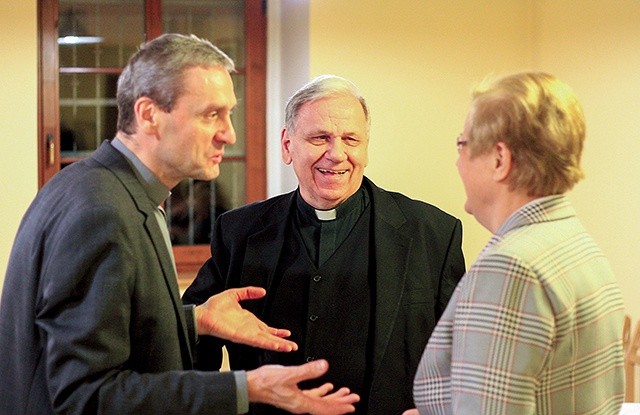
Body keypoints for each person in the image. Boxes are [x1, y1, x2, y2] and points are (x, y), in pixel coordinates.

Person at [0, 34, 360, 415]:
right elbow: (84, 397)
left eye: (230, 113)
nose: (230, 133)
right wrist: (245, 387)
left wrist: (194, 321)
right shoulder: (102, 212)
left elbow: (108, 335)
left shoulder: (96, 185)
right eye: (211, 115)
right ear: (149, 115)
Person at [182, 74, 466, 415]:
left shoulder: (433, 233)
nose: (337, 154)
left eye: (351, 139)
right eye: (320, 138)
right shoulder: (238, 232)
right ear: (288, 145)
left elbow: (463, 351)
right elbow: (196, 342)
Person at [408, 72, 625, 415]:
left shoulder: (510, 268)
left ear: (499, 160)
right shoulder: (574, 242)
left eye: (462, 145)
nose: (457, 161)